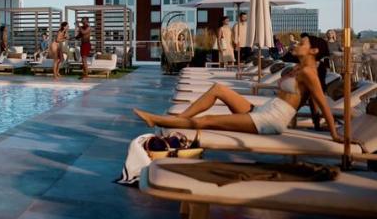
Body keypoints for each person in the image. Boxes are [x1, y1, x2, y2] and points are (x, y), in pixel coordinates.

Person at [133, 35, 339, 141]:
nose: (295, 45)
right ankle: (179, 120)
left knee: (207, 121)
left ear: (314, 50)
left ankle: (157, 120)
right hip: (264, 110)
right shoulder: (297, 68)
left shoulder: (310, 73)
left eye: (301, 43)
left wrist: (335, 135)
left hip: (271, 120)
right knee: (218, 89)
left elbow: (322, 104)